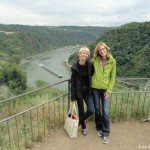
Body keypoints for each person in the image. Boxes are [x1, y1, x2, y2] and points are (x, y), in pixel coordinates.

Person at [90, 42, 116, 144]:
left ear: (107, 49)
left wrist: (109, 91)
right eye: (100, 50)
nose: (102, 51)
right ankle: (99, 127)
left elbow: (113, 78)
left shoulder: (112, 61)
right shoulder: (94, 60)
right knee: (97, 109)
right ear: (98, 51)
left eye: (103, 49)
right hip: (95, 88)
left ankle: (105, 133)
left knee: (105, 112)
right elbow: (86, 66)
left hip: (105, 90)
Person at [71, 47, 94, 137]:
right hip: (79, 92)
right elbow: (73, 82)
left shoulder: (89, 65)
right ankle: (83, 127)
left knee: (91, 110)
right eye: (83, 53)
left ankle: (77, 123)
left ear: (88, 56)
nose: (84, 55)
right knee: (81, 110)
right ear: (79, 54)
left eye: (86, 53)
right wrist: (73, 97)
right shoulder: (75, 67)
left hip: (88, 91)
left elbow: (92, 74)